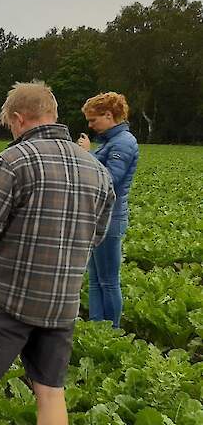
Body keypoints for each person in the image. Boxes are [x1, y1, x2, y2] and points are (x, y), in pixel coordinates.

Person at [0, 82, 114, 425]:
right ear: (54, 115)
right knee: (51, 393)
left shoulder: (15, 160)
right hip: (63, 303)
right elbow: (97, 235)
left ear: (19, 119)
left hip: (10, 299)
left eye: (11, 124)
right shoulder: (97, 169)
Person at [77, 92, 139, 328]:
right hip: (98, 218)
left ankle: (111, 330)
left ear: (109, 115)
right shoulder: (111, 142)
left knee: (109, 280)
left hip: (111, 219)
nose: (91, 126)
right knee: (95, 279)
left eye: (94, 120)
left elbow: (111, 180)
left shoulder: (123, 142)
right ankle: (96, 326)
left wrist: (87, 155)